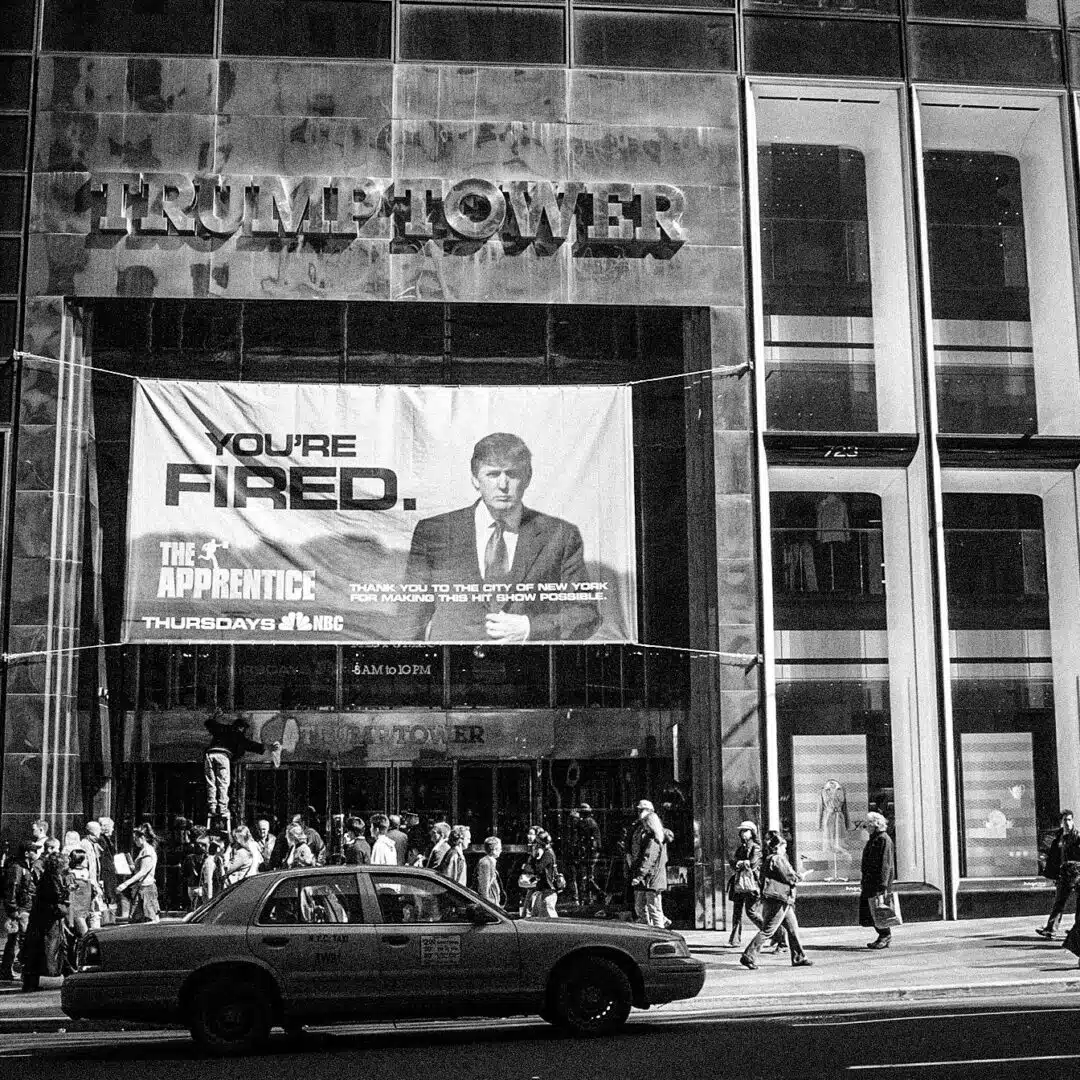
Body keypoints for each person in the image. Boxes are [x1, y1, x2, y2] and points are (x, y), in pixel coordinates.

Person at [403, 432, 601, 643]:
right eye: (493, 474)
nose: (503, 485)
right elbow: (410, 617)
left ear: (527, 478)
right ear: (474, 479)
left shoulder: (560, 535)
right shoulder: (435, 531)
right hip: (452, 666)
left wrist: (529, 628)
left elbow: (586, 614)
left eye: (512, 474)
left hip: (529, 666)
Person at [741, 831, 812, 970]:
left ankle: (799, 957)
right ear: (778, 847)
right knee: (768, 930)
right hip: (779, 900)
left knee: (793, 929)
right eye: (784, 847)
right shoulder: (778, 859)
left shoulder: (768, 859)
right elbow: (790, 877)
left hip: (779, 900)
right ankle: (748, 956)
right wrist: (801, 877)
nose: (785, 850)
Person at [203, 712, 269, 824]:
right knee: (223, 783)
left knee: (211, 782)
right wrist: (268, 747)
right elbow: (251, 745)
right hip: (223, 756)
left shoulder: (223, 728)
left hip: (209, 754)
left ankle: (212, 807)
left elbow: (209, 723)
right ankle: (222, 808)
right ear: (241, 727)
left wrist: (214, 716)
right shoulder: (238, 735)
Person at [20, 850, 70, 990]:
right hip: (47, 920)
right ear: (59, 865)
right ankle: (64, 973)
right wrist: (67, 892)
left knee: (38, 950)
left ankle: (31, 982)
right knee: (47, 948)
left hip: (41, 918)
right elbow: (55, 895)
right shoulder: (52, 878)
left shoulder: (48, 877)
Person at [1036, 809, 1080, 940]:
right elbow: (1054, 858)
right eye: (1065, 820)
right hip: (1064, 876)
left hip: (1077, 875)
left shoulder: (1077, 837)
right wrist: (1054, 875)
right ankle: (1051, 929)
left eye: (1069, 820)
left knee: (1079, 904)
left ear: (1073, 821)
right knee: (1059, 903)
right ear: (1061, 822)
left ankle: (1077, 930)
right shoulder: (1058, 838)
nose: (1067, 823)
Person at [629, 799, 669, 928]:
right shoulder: (646, 835)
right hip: (647, 877)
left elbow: (649, 859)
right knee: (643, 907)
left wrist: (639, 876)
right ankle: (647, 930)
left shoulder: (654, 840)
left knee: (654, 909)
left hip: (651, 878)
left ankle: (659, 933)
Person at [860, 811, 896, 950]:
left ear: (875, 825)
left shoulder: (883, 839)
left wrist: (882, 884)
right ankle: (883, 935)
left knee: (878, 909)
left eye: (867, 825)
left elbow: (885, 864)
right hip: (870, 881)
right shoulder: (876, 838)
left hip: (877, 882)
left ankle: (885, 935)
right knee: (873, 909)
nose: (866, 827)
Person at [0, 842, 35, 981]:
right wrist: (13, 909)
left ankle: (9, 968)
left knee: (17, 938)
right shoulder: (17, 868)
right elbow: (12, 889)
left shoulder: (25, 867)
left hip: (24, 907)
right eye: (33, 851)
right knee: (17, 938)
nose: (36, 853)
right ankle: (9, 968)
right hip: (20, 908)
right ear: (27, 853)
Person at [728, 820, 764, 947]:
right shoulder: (741, 848)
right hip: (740, 883)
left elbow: (753, 863)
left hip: (751, 884)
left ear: (752, 832)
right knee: (737, 911)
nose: (743, 833)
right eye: (742, 831)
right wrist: (740, 863)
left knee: (751, 912)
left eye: (746, 831)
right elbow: (734, 862)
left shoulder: (756, 847)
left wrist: (741, 863)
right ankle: (734, 939)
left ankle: (772, 932)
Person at [117, 824, 160, 924]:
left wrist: (125, 884)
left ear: (143, 838)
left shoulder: (148, 851)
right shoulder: (144, 851)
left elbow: (143, 871)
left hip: (146, 888)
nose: (135, 841)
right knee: (138, 919)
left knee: (148, 919)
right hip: (142, 888)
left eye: (136, 839)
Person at [575, 804, 604, 907]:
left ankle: (597, 894)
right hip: (590, 852)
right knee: (587, 876)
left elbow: (591, 841)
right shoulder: (589, 822)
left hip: (590, 853)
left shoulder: (588, 823)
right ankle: (589, 897)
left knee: (587, 876)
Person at [531, 830, 560, 918]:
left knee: (550, 918)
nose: (535, 845)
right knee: (536, 916)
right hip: (543, 890)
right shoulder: (548, 853)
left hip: (548, 891)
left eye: (537, 843)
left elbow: (538, 868)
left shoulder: (547, 854)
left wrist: (535, 856)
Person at [476, 837, 504, 907]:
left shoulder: (491, 862)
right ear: (494, 849)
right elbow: (484, 887)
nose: (501, 850)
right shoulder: (486, 863)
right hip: (489, 903)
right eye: (499, 848)